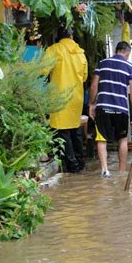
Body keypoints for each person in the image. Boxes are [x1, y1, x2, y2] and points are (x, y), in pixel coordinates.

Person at [89, 41, 132, 177]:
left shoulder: (102, 63)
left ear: (116, 50)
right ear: (127, 53)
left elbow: (94, 85)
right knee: (122, 139)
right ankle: (122, 172)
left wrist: (91, 104)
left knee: (101, 139)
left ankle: (104, 170)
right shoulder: (130, 67)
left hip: (103, 107)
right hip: (121, 108)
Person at [43, 28, 88, 173]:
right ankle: (81, 162)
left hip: (59, 97)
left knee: (63, 132)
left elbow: (42, 70)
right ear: (71, 36)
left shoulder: (54, 50)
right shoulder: (80, 53)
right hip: (76, 97)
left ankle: (72, 166)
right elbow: (85, 76)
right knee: (76, 130)